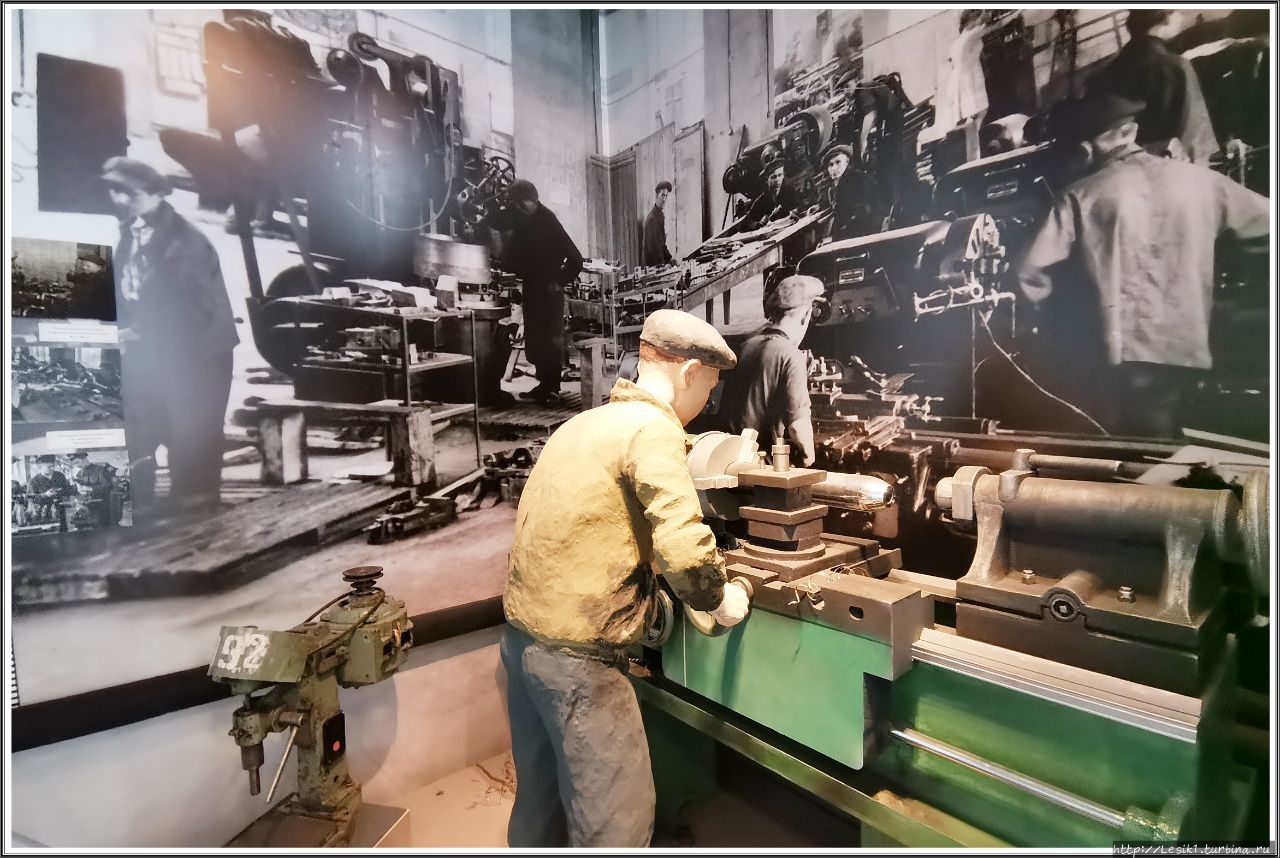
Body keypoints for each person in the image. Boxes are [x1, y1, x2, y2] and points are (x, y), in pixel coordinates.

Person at [501, 309, 751, 847]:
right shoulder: (652, 430)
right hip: (580, 659)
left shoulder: (584, 424)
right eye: (709, 386)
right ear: (688, 372)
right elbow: (684, 548)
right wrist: (719, 598)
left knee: (540, 803)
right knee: (617, 820)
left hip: (521, 640)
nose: (707, 399)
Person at [1018, 94, 1269, 437]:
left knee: (1129, 442)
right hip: (1189, 342)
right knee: (1171, 431)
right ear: (1131, 132)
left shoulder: (1079, 196)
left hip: (1119, 353)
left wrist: (1056, 331)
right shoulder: (1201, 180)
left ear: (1083, 151)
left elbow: (1030, 275)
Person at [104, 156, 239, 514]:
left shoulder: (186, 242)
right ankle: (144, 504)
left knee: (192, 430)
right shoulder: (132, 230)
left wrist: (139, 331)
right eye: (115, 190)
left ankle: (198, 514)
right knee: (143, 419)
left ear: (156, 193)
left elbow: (193, 306)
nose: (119, 198)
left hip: (199, 351)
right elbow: (128, 288)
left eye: (129, 192)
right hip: (154, 347)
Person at [492, 179, 584, 404]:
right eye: (515, 207)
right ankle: (543, 385)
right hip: (532, 286)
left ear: (532, 201)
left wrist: (559, 281)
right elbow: (500, 221)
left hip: (550, 290)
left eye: (521, 205)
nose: (519, 210)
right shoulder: (522, 217)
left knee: (550, 339)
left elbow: (576, 258)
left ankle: (552, 388)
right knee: (535, 339)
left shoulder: (548, 220)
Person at [718, 275, 825, 466]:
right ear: (806, 315)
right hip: (758, 466)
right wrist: (809, 458)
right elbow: (798, 428)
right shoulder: (791, 356)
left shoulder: (746, 346)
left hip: (727, 457)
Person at [1085, 9, 1218, 163]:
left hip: (1119, 171)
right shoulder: (1176, 68)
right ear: (1166, 18)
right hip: (1170, 170)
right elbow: (1195, 145)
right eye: (1179, 12)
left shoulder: (1100, 75)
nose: (1181, 17)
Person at [739, 160, 801, 233]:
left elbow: (799, 207)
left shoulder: (788, 192)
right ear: (766, 180)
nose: (777, 180)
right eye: (773, 177)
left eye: (780, 175)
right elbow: (743, 226)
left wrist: (794, 211)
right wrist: (758, 223)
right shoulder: (762, 200)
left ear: (783, 176)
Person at [821, 144, 868, 242]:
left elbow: (860, 215)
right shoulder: (836, 185)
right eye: (830, 165)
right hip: (846, 234)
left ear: (847, 162)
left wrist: (834, 238)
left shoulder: (857, 179)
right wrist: (819, 205)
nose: (834, 168)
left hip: (860, 235)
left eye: (838, 162)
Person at [27, 455, 72, 525]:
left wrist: (64, 492)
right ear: (40, 467)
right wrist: (45, 495)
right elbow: (31, 500)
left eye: (53, 465)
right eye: (49, 466)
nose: (53, 468)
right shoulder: (33, 481)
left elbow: (68, 490)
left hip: (61, 512)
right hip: (43, 515)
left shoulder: (60, 475)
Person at [641, 180, 674, 267]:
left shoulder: (660, 215)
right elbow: (653, 250)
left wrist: (670, 258)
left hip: (658, 265)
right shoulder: (652, 219)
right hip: (651, 268)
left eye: (666, 196)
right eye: (662, 195)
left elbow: (661, 245)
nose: (664, 199)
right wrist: (663, 266)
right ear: (656, 196)